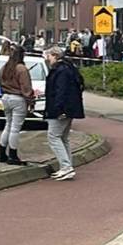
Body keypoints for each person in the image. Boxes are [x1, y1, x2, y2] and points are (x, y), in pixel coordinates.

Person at [43, 46, 85, 180]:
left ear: (55, 56)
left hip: (60, 109)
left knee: (53, 137)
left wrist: (59, 109)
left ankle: (66, 166)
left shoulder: (60, 71)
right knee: (63, 138)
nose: (47, 59)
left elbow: (60, 91)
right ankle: (67, 166)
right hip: (70, 109)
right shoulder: (69, 68)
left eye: (48, 56)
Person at [0, 45, 34, 165]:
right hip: (18, 99)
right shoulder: (21, 69)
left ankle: (1, 153)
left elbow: (0, 82)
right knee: (15, 128)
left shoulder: (4, 68)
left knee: (8, 125)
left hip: (6, 97)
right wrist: (31, 101)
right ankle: (13, 155)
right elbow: (26, 88)